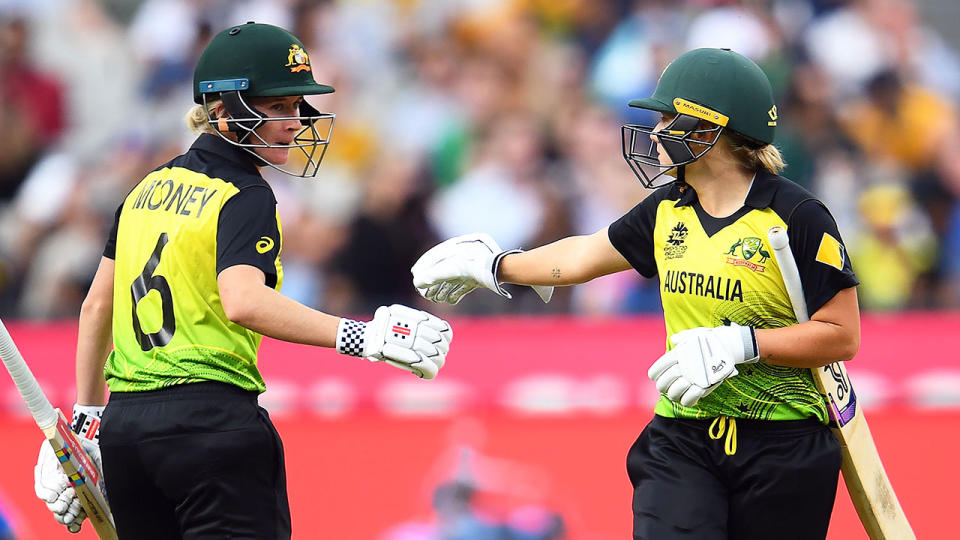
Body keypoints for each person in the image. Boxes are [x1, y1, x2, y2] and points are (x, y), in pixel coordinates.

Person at [412, 48, 860, 540]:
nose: (654, 133)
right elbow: (584, 256)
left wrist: (746, 344)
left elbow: (841, 336)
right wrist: (495, 265)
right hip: (683, 434)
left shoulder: (797, 216)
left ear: (713, 129)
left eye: (669, 119)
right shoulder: (667, 209)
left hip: (785, 440)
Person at [33, 22, 453, 539]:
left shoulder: (145, 188)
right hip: (213, 429)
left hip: (129, 435)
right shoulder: (247, 194)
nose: (294, 122)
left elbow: (97, 307)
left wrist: (85, 421)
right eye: (275, 107)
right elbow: (244, 301)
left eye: (296, 106)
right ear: (224, 112)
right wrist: (360, 336)